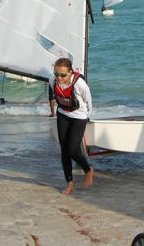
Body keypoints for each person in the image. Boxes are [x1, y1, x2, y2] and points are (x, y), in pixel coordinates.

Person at [48, 57, 94, 195]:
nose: (59, 78)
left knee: (73, 149)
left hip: (79, 116)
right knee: (64, 150)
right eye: (56, 74)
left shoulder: (80, 84)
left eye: (62, 75)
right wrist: (52, 112)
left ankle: (88, 169)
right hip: (63, 114)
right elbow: (53, 96)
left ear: (70, 72)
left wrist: (86, 118)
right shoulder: (52, 80)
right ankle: (69, 183)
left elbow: (89, 102)